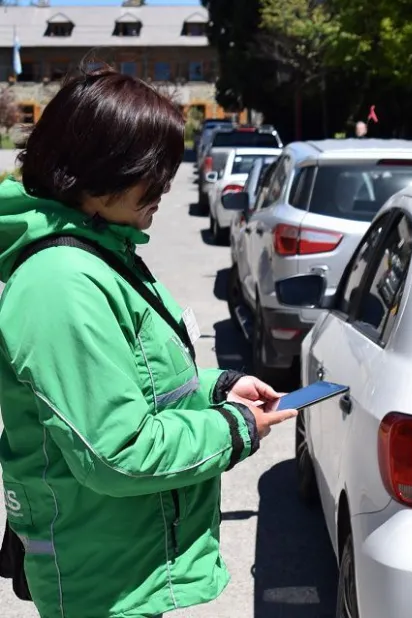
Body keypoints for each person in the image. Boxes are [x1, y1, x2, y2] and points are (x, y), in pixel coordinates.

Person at [0, 67, 298, 618]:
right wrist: (234, 429)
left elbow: (137, 379)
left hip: (121, 561)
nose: (164, 186)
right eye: (151, 173)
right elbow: (117, 453)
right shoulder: (60, 281)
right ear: (91, 170)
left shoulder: (98, 250)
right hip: (98, 578)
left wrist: (218, 388)